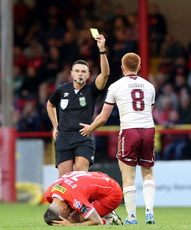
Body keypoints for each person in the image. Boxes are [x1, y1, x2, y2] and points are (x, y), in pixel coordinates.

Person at [80, 53, 156, 224]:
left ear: (122, 68)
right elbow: (149, 110)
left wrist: (90, 128)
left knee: (128, 176)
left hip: (129, 131)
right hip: (148, 130)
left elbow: (103, 117)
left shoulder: (115, 86)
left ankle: (132, 217)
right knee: (148, 174)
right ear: (139, 67)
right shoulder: (149, 86)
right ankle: (149, 213)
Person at [47, 34, 109, 177]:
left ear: (88, 75)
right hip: (64, 136)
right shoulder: (62, 90)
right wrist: (55, 126)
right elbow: (50, 105)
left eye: (83, 71)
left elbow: (105, 74)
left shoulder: (91, 90)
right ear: (72, 74)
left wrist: (102, 50)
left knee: (80, 177)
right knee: (65, 179)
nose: (80, 74)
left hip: (83, 136)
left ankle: (79, 200)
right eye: (77, 71)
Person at [44, 171, 123, 226]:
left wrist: (71, 224)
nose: (67, 217)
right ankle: (106, 213)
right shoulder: (49, 193)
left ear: (63, 210)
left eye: (65, 216)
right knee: (78, 211)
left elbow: (96, 221)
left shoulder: (74, 198)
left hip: (113, 193)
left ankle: (111, 221)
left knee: (73, 219)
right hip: (100, 179)